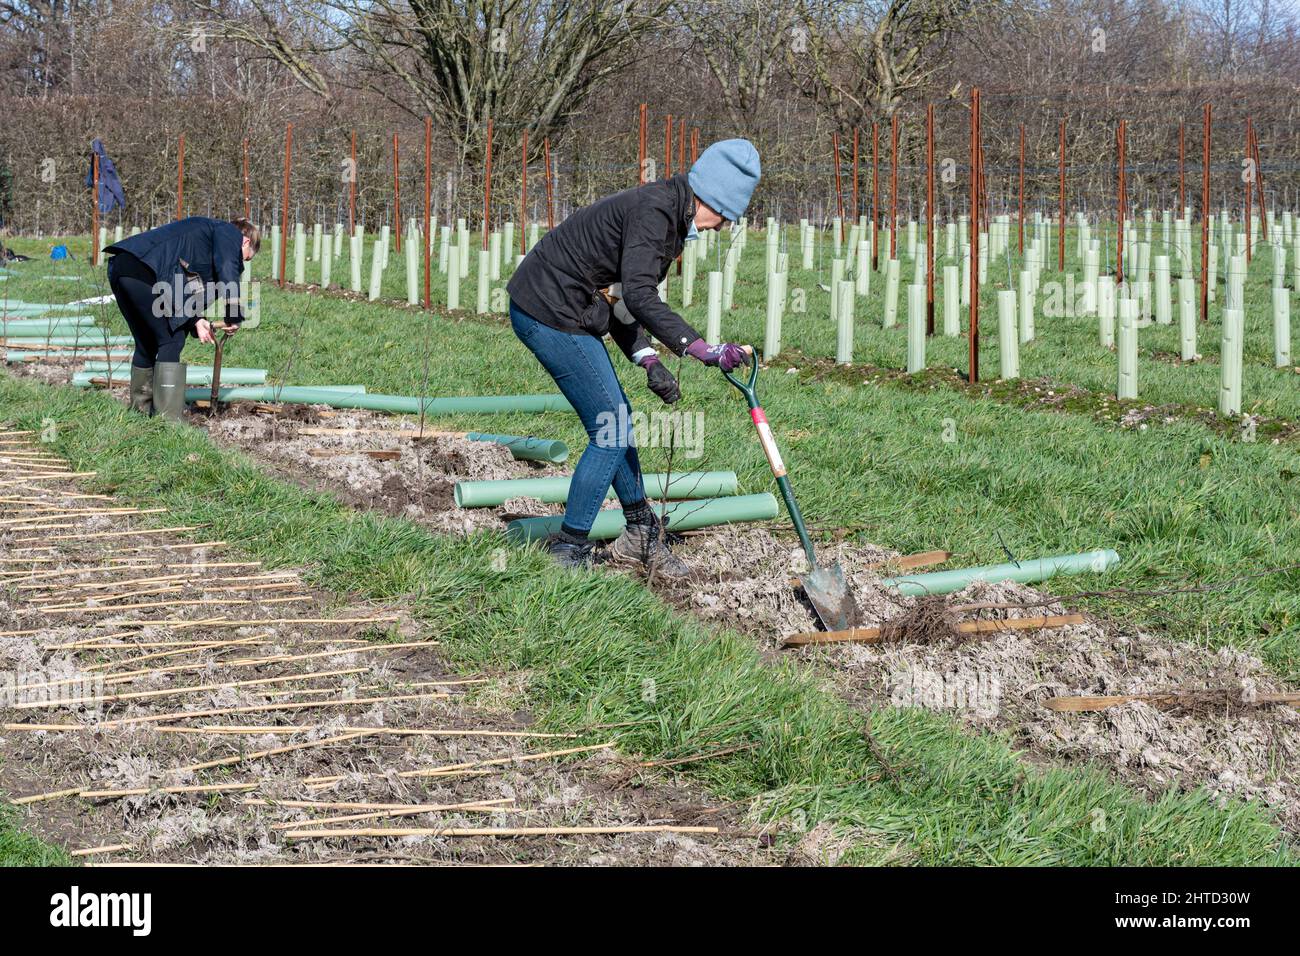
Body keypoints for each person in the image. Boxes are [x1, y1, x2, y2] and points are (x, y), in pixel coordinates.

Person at [507, 138, 759, 575]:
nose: (720, 227)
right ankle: (567, 550)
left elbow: (621, 297)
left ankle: (640, 533)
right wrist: (700, 348)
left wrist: (647, 358)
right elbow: (641, 297)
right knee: (610, 427)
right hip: (546, 308)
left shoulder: (670, 217)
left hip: (570, 306)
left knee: (617, 418)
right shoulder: (655, 212)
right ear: (711, 197)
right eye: (725, 216)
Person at [104, 217, 259, 420]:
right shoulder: (229, 233)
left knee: (147, 343)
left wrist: (196, 320)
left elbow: (187, 287)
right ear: (245, 242)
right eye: (246, 258)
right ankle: (167, 421)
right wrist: (233, 314)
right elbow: (228, 266)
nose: (243, 263)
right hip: (146, 271)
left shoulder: (204, 241)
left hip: (123, 267)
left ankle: (139, 415)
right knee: (171, 339)